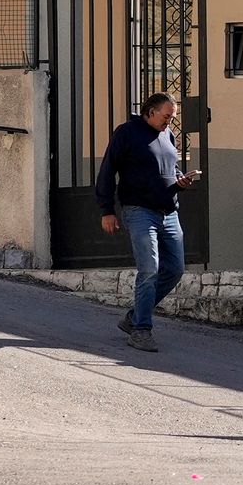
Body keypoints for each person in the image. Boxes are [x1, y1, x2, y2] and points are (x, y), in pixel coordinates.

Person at [96, 89, 185, 353]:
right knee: (150, 270)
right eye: (167, 116)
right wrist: (106, 209)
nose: (170, 121)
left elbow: (172, 167)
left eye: (172, 117)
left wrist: (181, 178)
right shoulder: (127, 132)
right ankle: (141, 330)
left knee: (176, 269)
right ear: (150, 111)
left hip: (169, 212)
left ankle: (135, 316)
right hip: (139, 211)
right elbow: (108, 169)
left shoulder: (167, 135)